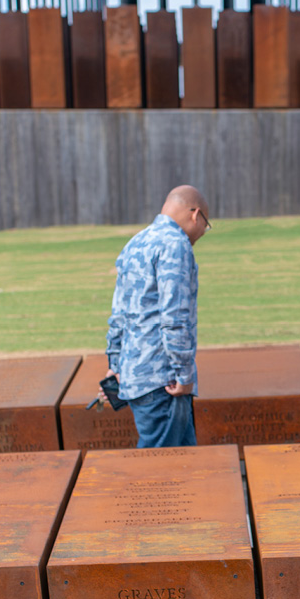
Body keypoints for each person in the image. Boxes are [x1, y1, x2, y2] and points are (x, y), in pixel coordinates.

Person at [104, 184, 210, 448]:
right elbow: (175, 318)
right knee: (158, 476)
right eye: (206, 226)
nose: (203, 233)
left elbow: (118, 314)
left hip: (134, 376)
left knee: (184, 469)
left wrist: (115, 365)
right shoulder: (176, 245)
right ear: (195, 215)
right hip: (164, 381)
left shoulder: (135, 242)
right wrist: (185, 376)